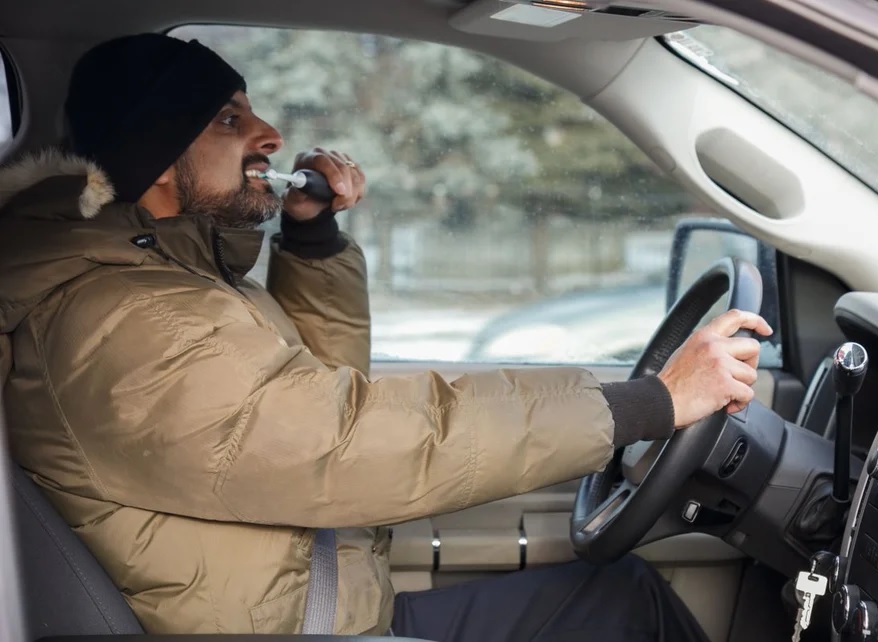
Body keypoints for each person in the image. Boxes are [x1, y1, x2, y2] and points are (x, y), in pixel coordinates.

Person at [0, 34, 771, 641]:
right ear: (157, 155)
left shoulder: (177, 283)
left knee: (619, 597)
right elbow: (348, 441)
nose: (269, 133)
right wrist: (643, 405)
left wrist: (311, 241)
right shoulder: (128, 320)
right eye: (228, 119)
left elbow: (305, 396)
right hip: (297, 633)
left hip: (330, 616)